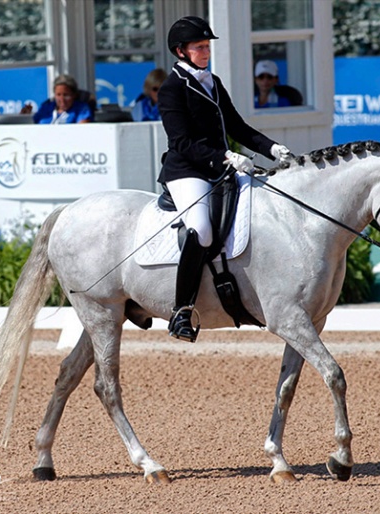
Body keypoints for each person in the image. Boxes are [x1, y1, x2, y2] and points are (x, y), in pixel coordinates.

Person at [158, 16, 292, 343]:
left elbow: (237, 127)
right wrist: (225, 157)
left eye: (207, 46)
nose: (206, 52)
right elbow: (182, 142)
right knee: (201, 229)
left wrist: (271, 147)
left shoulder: (212, 81)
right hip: (187, 170)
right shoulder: (172, 88)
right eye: (199, 47)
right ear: (181, 51)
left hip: (220, 168)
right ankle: (181, 311)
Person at [21, 74, 93, 124]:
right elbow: (33, 123)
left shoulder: (81, 109)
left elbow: (83, 129)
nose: (62, 99)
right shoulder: (47, 107)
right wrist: (25, 116)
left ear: (74, 95)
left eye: (66, 95)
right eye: (58, 95)